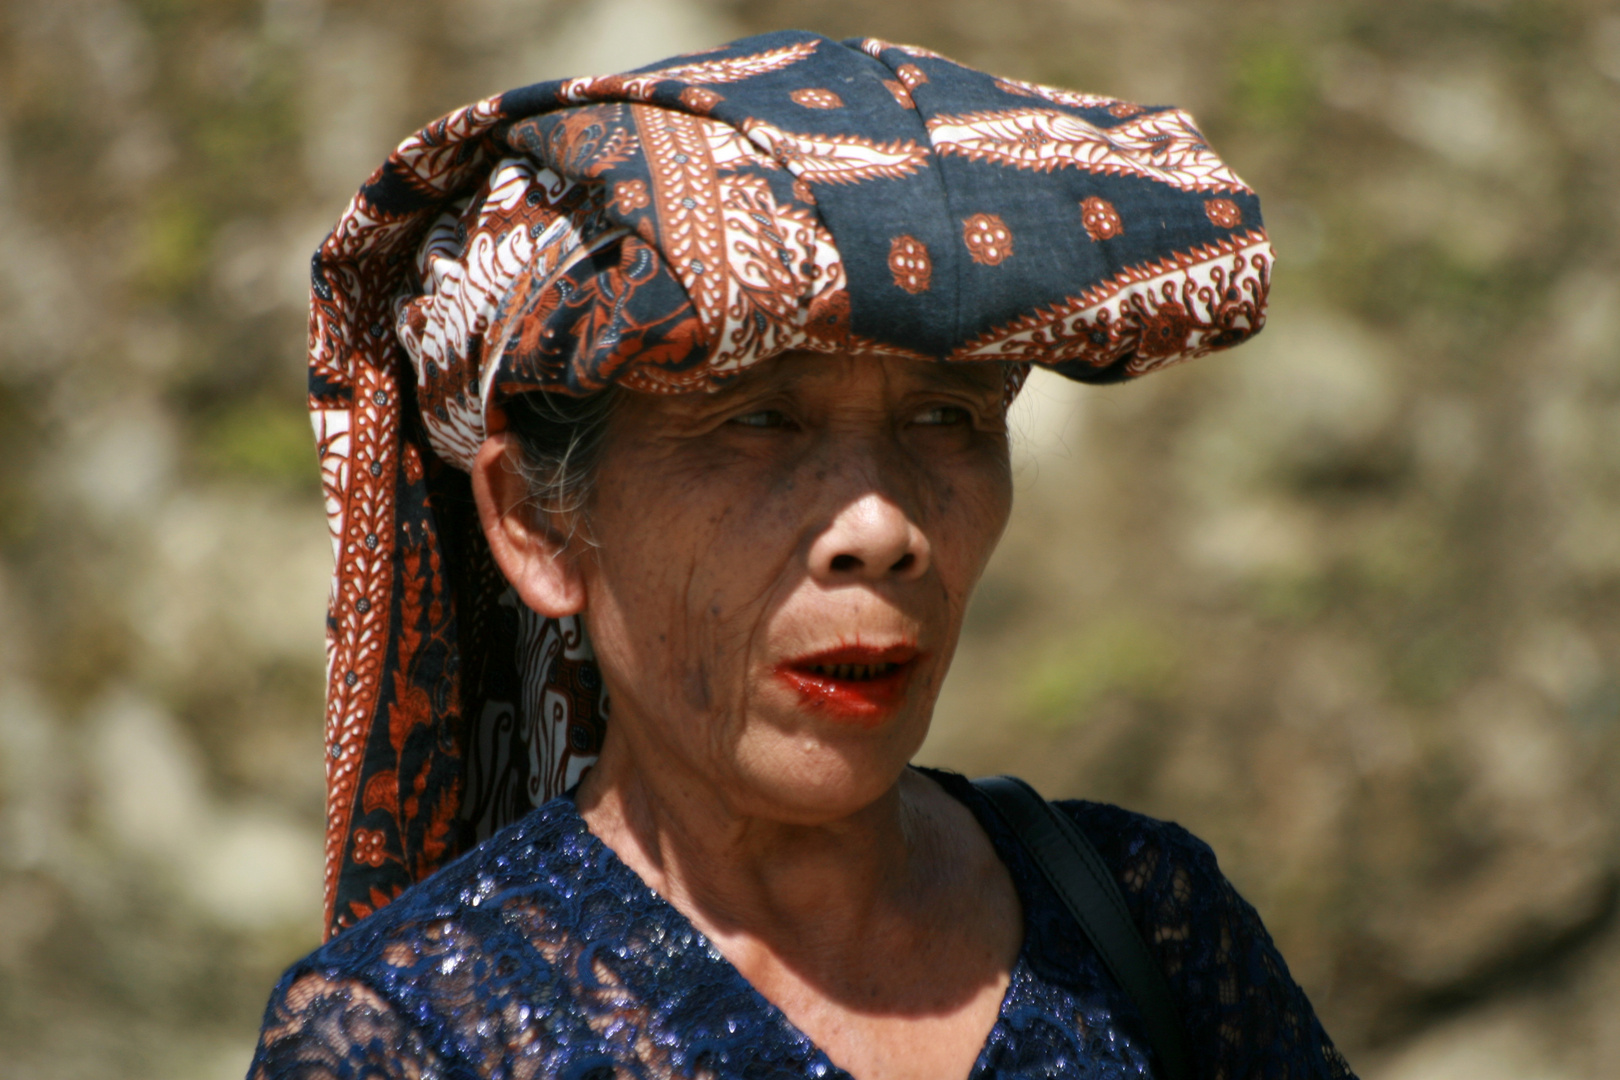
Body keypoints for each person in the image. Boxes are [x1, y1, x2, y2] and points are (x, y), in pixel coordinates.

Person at [250, 30, 1350, 1080]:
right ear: (536, 524)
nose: (882, 532)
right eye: (759, 422)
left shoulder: (1143, 927)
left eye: (946, 420)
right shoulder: (409, 1040)